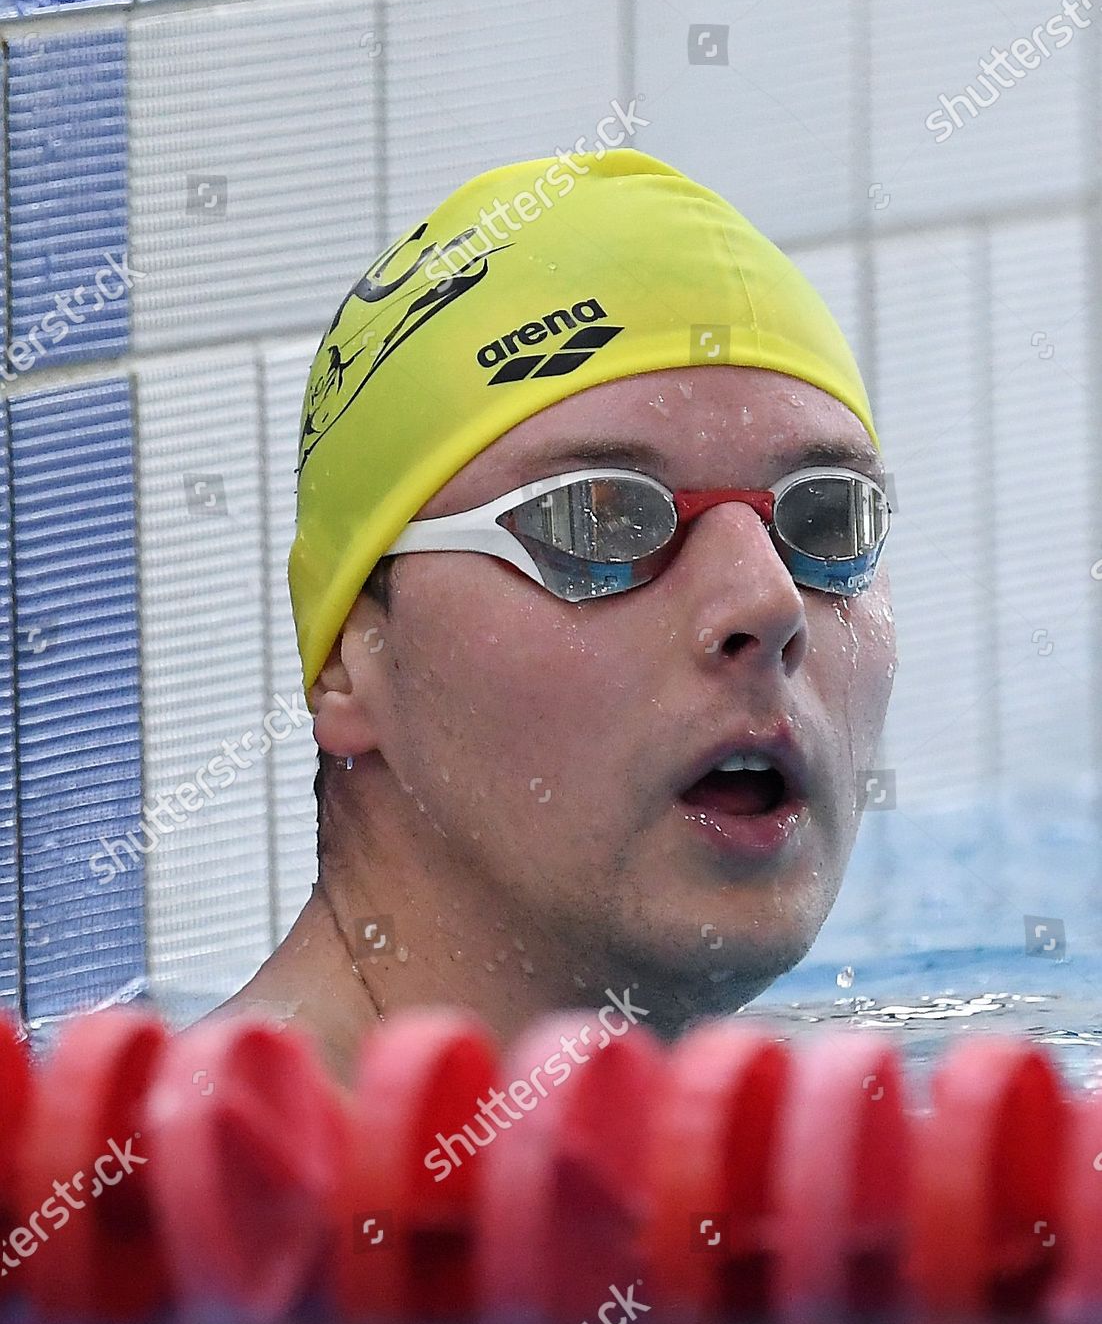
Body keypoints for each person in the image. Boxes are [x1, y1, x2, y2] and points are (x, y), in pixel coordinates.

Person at [221, 147, 897, 1084]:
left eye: (827, 518)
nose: (770, 602)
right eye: (600, 523)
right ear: (348, 654)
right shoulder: (172, 1201)